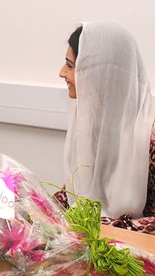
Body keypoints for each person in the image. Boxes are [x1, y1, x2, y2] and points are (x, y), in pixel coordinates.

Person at [59, 21, 155, 234]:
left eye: (70, 65)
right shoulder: (96, 125)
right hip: (95, 244)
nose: (61, 73)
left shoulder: (150, 137)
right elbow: (75, 194)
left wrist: (98, 226)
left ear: (98, 73)